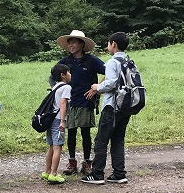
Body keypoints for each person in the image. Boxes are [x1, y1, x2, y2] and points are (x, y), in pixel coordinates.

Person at [82, 32, 132, 185]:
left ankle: (97, 174)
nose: (107, 46)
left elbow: (110, 83)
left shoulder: (112, 62)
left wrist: (98, 87)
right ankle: (119, 173)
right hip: (126, 106)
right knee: (118, 140)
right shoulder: (128, 61)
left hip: (112, 106)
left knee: (101, 140)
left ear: (114, 44)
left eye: (108, 44)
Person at [56, 30, 106, 176]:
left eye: (74, 42)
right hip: (70, 102)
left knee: (85, 133)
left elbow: (110, 72)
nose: (71, 45)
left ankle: (87, 163)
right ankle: (72, 163)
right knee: (70, 132)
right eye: (69, 42)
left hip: (86, 102)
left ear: (81, 44)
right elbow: (53, 75)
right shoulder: (65, 62)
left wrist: (97, 89)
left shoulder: (91, 60)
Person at [42, 63, 72, 185]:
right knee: (57, 147)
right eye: (69, 72)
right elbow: (63, 103)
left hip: (50, 119)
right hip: (58, 120)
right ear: (63, 75)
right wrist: (63, 121)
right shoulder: (66, 87)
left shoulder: (55, 87)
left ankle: (47, 171)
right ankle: (54, 174)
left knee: (51, 146)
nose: (71, 75)